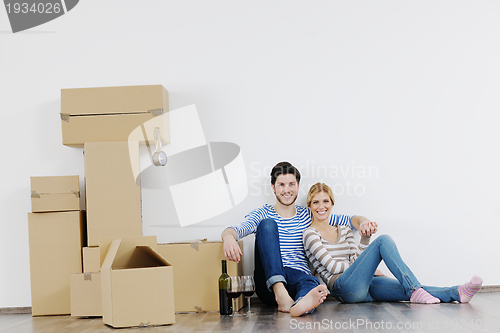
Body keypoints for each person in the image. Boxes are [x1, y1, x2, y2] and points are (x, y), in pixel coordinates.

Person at [221, 162, 378, 316]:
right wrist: (228, 238)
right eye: (281, 185)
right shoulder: (263, 213)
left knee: (312, 283)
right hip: (268, 284)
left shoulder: (309, 214)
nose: (287, 189)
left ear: (298, 185)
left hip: (297, 278)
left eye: (291, 184)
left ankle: (299, 304)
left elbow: (351, 220)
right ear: (273, 187)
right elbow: (235, 230)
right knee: (268, 225)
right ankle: (280, 292)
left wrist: (364, 222)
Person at [303, 182, 483, 305]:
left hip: (366, 283)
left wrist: (365, 240)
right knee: (383, 240)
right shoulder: (310, 234)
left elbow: (357, 258)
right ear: (310, 206)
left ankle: (457, 292)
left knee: (407, 290)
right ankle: (414, 289)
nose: (321, 206)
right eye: (316, 202)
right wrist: (367, 267)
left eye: (326, 201)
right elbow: (332, 267)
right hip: (344, 289)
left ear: (332, 203)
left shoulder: (344, 229)